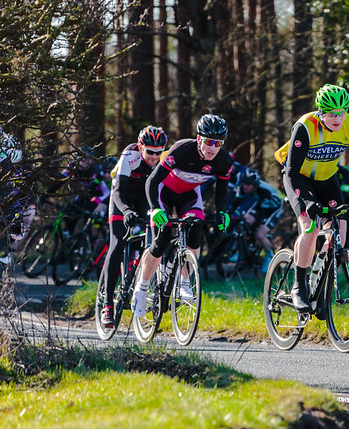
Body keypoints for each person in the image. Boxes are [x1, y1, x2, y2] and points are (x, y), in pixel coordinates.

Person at [274, 84, 349, 313]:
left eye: (342, 112)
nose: (338, 118)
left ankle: (320, 284)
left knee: (340, 234)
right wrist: (307, 202)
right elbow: (291, 172)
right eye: (332, 114)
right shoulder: (305, 126)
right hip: (299, 180)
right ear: (320, 112)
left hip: (327, 180)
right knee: (310, 229)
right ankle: (298, 287)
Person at [130, 115, 234, 315]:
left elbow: (222, 192)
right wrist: (154, 208)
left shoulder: (224, 161)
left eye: (218, 143)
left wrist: (222, 213)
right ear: (198, 139)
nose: (212, 148)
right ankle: (141, 289)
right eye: (208, 142)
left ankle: (185, 282)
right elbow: (152, 181)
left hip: (189, 195)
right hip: (163, 193)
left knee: (196, 231)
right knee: (161, 240)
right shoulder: (182, 149)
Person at [99, 125, 167, 326]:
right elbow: (118, 191)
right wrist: (127, 211)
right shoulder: (130, 156)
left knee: (155, 240)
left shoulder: (162, 161)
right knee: (118, 244)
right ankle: (107, 304)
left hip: (145, 199)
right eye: (150, 152)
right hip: (123, 199)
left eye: (158, 152)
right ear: (140, 146)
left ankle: (138, 277)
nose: (154, 157)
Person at [225, 169, 284, 272]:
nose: (245, 187)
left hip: (275, 207)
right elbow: (235, 203)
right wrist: (227, 215)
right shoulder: (243, 188)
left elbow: (262, 213)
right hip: (261, 205)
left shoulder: (264, 191)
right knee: (244, 224)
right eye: (244, 184)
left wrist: (254, 226)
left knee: (260, 234)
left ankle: (269, 257)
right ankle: (242, 252)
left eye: (249, 184)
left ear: (255, 185)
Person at [0, 132, 35, 262]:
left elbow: (32, 188)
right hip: (8, 201)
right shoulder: (3, 163)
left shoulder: (27, 168)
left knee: (25, 223)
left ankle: (10, 253)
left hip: (22, 202)